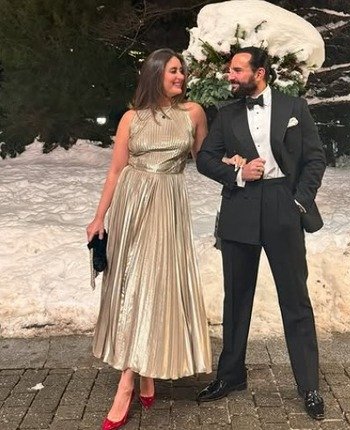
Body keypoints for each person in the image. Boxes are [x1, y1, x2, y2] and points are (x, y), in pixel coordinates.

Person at [196, 46, 326, 420]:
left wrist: (299, 200)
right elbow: (205, 158)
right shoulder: (227, 114)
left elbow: (315, 158)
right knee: (236, 298)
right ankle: (231, 376)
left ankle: (309, 385)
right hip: (240, 207)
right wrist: (237, 173)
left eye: (237, 70)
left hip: (284, 206)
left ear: (259, 72)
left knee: (295, 299)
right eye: (230, 70)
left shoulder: (294, 107)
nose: (230, 76)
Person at [86, 48, 212, 430]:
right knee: (133, 286)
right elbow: (115, 171)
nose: (180, 76)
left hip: (168, 206)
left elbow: (206, 160)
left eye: (182, 71)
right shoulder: (131, 118)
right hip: (132, 205)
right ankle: (138, 375)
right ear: (155, 74)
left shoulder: (193, 114)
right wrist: (99, 217)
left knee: (156, 286)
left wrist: (235, 164)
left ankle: (129, 381)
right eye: (173, 70)